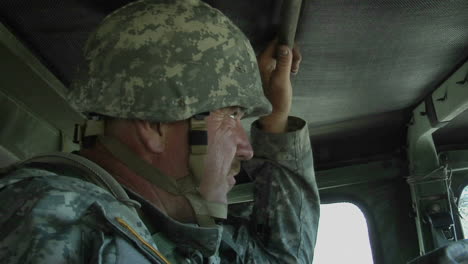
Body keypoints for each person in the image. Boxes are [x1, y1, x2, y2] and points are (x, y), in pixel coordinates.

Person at [0, 0, 319, 263]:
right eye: (232, 115)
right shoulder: (70, 225)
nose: (246, 149)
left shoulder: (164, 229)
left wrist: (277, 119)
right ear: (156, 126)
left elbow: (284, 258)